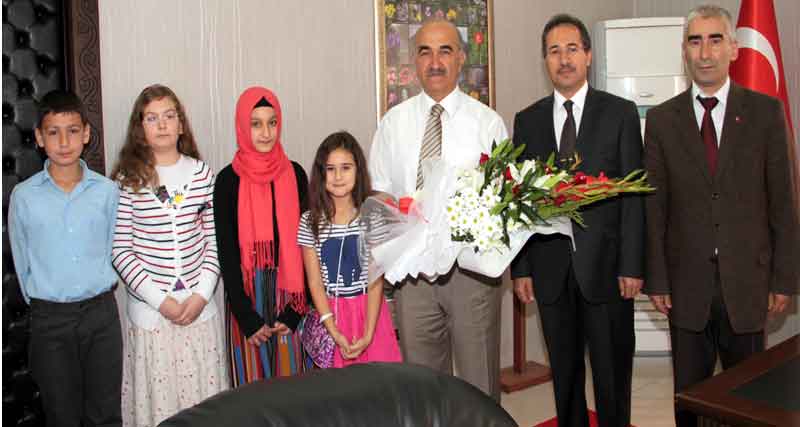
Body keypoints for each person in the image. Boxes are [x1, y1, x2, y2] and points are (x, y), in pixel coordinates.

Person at [643, 5, 799, 426]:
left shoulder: (766, 113)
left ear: (733, 48)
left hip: (748, 285)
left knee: (748, 403)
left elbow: (783, 202)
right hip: (685, 287)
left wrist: (784, 279)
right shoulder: (661, 120)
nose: (705, 52)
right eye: (695, 41)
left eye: (715, 40)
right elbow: (654, 207)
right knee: (689, 402)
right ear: (684, 51)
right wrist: (657, 279)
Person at [510, 14, 645, 427]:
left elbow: (634, 195)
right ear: (545, 61)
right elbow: (519, 199)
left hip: (607, 269)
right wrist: (522, 268)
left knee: (611, 375)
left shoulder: (620, 113)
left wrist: (632, 264)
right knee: (565, 377)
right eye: (554, 51)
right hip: (551, 270)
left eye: (572, 49)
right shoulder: (527, 121)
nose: (563, 59)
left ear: (588, 55)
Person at [369, 18, 508, 400]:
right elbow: (380, 195)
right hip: (413, 278)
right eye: (425, 52)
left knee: (479, 387)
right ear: (414, 61)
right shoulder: (393, 124)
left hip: (470, 273)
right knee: (422, 387)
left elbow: (502, 201)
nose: (435, 62)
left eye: (445, 51)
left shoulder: (487, 124)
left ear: (461, 58)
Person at [111, 84, 228, 426]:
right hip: (153, 318)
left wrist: (201, 295)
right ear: (140, 128)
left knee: (204, 409)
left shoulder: (202, 174)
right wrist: (161, 301)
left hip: (198, 313)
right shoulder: (128, 180)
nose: (162, 124)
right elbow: (121, 250)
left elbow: (214, 242)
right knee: (161, 409)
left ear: (180, 124)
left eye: (169, 116)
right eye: (152, 118)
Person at [8, 90, 122, 427]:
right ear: (39, 138)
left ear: (86, 134)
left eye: (72, 131)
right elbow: (22, 260)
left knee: (106, 415)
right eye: (53, 132)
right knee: (62, 416)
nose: (63, 142)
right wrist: (47, 303)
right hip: (50, 320)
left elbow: (114, 247)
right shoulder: (24, 197)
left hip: (100, 316)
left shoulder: (107, 192)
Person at [214, 86, 310, 385]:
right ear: (243, 126)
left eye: (272, 122)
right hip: (247, 298)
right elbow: (226, 253)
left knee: (293, 389)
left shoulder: (295, 175)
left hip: (290, 296)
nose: (266, 133)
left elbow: (308, 246)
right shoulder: (227, 181)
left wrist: (296, 310)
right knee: (251, 394)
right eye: (256, 124)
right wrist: (246, 317)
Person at [298, 131, 402, 367]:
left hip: (371, 314)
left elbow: (375, 279)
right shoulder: (309, 222)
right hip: (331, 315)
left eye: (345, 168)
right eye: (330, 169)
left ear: (358, 170)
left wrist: (368, 333)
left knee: (378, 382)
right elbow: (315, 283)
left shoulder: (371, 216)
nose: (338, 176)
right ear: (321, 173)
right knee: (339, 387)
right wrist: (333, 330)